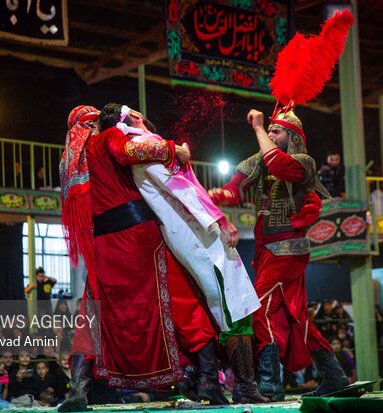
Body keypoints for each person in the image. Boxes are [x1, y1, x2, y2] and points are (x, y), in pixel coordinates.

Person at [207, 11, 353, 399]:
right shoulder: (264, 156)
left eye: (276, 131)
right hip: (270, 250)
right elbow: (239, 180)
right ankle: (335, 377)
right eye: (269, 129)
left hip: (286, 249)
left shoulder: (300, 163)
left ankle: (270, 382)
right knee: (296, 316)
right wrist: (219, 196)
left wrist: (258, 129)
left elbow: (273, 162)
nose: (269, 133)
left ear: (292, 137)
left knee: (260, 310)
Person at [58, 106, 222, 411]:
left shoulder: (71, 161)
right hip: (137, 237)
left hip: (102, 244)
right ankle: (210, 383)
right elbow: (129, 151)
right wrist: (174, 150)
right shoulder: (106, 137)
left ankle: (77, 391)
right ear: (95, 124)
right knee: (180, 300)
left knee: (92, 314)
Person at [104, 103, 265, 403]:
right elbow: (180, 188)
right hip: (198, 232)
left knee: (229, 305)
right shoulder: (145, 143)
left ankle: (235, 383)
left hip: (193, 231)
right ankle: (244, 386)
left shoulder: (140, 146)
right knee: (231, 305)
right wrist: (219, 218)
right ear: (135, 118)